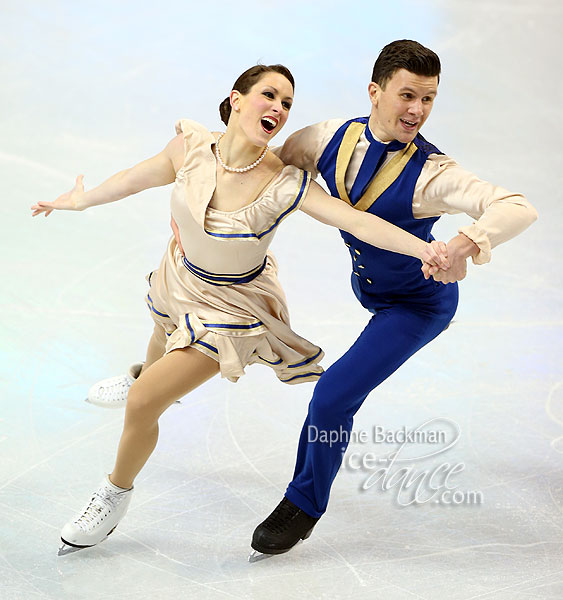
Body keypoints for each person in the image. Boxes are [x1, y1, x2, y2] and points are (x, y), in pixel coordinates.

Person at [31, 63, 450, 555]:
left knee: (145, 402)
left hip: (232, 310)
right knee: (162, 328)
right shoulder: (191, 148)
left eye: (287, 103)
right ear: (235, 98)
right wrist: (81, 200)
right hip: (182, 276)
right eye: (268, 95)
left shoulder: (284, 182)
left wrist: (426, 251)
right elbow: (133, 179)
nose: (278, 107)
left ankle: (113, 492)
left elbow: (357, 222)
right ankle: (145, 370)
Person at [248, 41, 538, 558]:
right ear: (374, 92)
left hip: (416, 306)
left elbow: (517, 206)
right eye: (408, 95)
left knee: (334, 394)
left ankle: (303, 505)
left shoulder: (432, 174)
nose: (417, 111)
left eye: (428, 99)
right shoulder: (324, 138)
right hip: (368, 286)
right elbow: (269, 172)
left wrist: (464, 244)